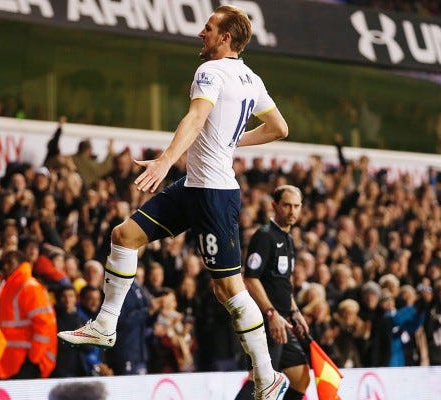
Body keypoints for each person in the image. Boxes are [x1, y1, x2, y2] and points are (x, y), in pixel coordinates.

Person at [58, 5, 289, 398]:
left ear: (226, 38)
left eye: (209, 28)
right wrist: (232, 142)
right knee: (124, 235)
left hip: (214, 193)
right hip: (195, 186)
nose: (202, 33)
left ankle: (266, 379)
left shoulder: (210, 71)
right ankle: (106, 324)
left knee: (230, 291)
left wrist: (166, 160)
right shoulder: (252, 78)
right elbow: (279, 128)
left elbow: (196, 119)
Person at [236, 185, 310, 400]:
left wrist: (295, 311)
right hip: (267, 320)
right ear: (274, 206)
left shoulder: (289, 238)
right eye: (287, 205)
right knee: (260, 380)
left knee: (300, 377)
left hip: (283, 319)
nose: (292, 211)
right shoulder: (265, 236)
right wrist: (271, 313)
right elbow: (250, 278)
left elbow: (283, 282)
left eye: (296, 206)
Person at [0, 250, 57, 379]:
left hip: (28, 361)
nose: (6, 266)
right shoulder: (11, 287)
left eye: (10, 263)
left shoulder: (28, 287)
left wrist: (33, 360)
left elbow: (44, 325)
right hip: (15, 360)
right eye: (4, 263)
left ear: (21, 264)